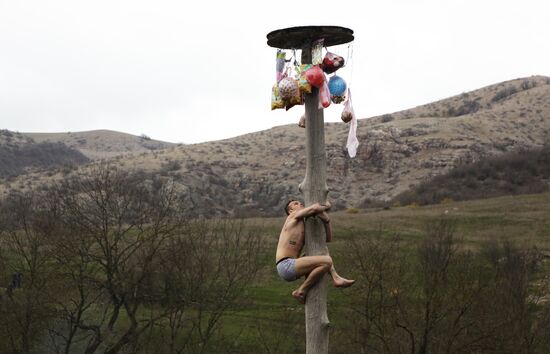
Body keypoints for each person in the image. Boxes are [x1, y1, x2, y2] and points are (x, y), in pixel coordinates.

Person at [276, 199, 355, 303]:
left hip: (292, 264)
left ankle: (336, 278)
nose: (300, 203)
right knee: (327, 261)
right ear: (290, 211)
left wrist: (327, 221)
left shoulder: (303, 225)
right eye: (295, 204)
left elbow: (328, 239)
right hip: (286, 265)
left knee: (323, 250)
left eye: (300, 202)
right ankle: (301, 290)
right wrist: (326, 206)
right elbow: (315, 208)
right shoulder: (292, 217)